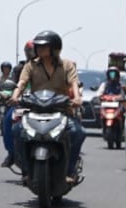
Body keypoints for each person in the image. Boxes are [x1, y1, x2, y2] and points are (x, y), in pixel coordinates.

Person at [13, 29, 86, 181]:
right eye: (37, 46)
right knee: (17, 131)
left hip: (61, 110)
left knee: (78, 133)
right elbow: (22, 82)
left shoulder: (67, 65)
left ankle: (69, 171)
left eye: (43, 46)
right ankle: (26, 171)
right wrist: (15, 96)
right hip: (35, 110)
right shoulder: (30, 66)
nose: (39, 49)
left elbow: (74, 83)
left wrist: (77, 98)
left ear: (55, 48)